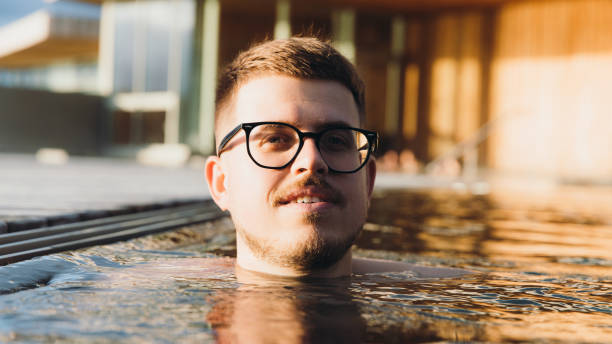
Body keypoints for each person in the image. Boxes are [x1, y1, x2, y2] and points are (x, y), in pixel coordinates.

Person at [205, 37, 467, 279]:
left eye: (335, 140)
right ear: (221, 183)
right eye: (275, 139)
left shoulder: (470, 297)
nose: (311, 161)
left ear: (368, 181)